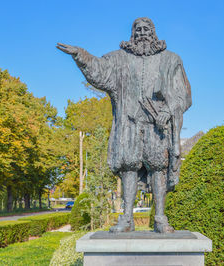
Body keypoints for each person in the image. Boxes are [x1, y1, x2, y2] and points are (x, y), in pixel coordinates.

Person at [57, 17, 191, 233]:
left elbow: (182, 94)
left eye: (146, 29)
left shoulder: (170, 59)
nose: (141, 33)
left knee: (158, 167)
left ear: (154, 32)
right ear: (132, 34)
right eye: (137, 30)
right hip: (129, 124)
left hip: (157, 126)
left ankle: (160, 218)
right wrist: (80, 55)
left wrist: (167, 111)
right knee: (128, 166)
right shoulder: (119, 59)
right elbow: (100, 71)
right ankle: (127, 217)